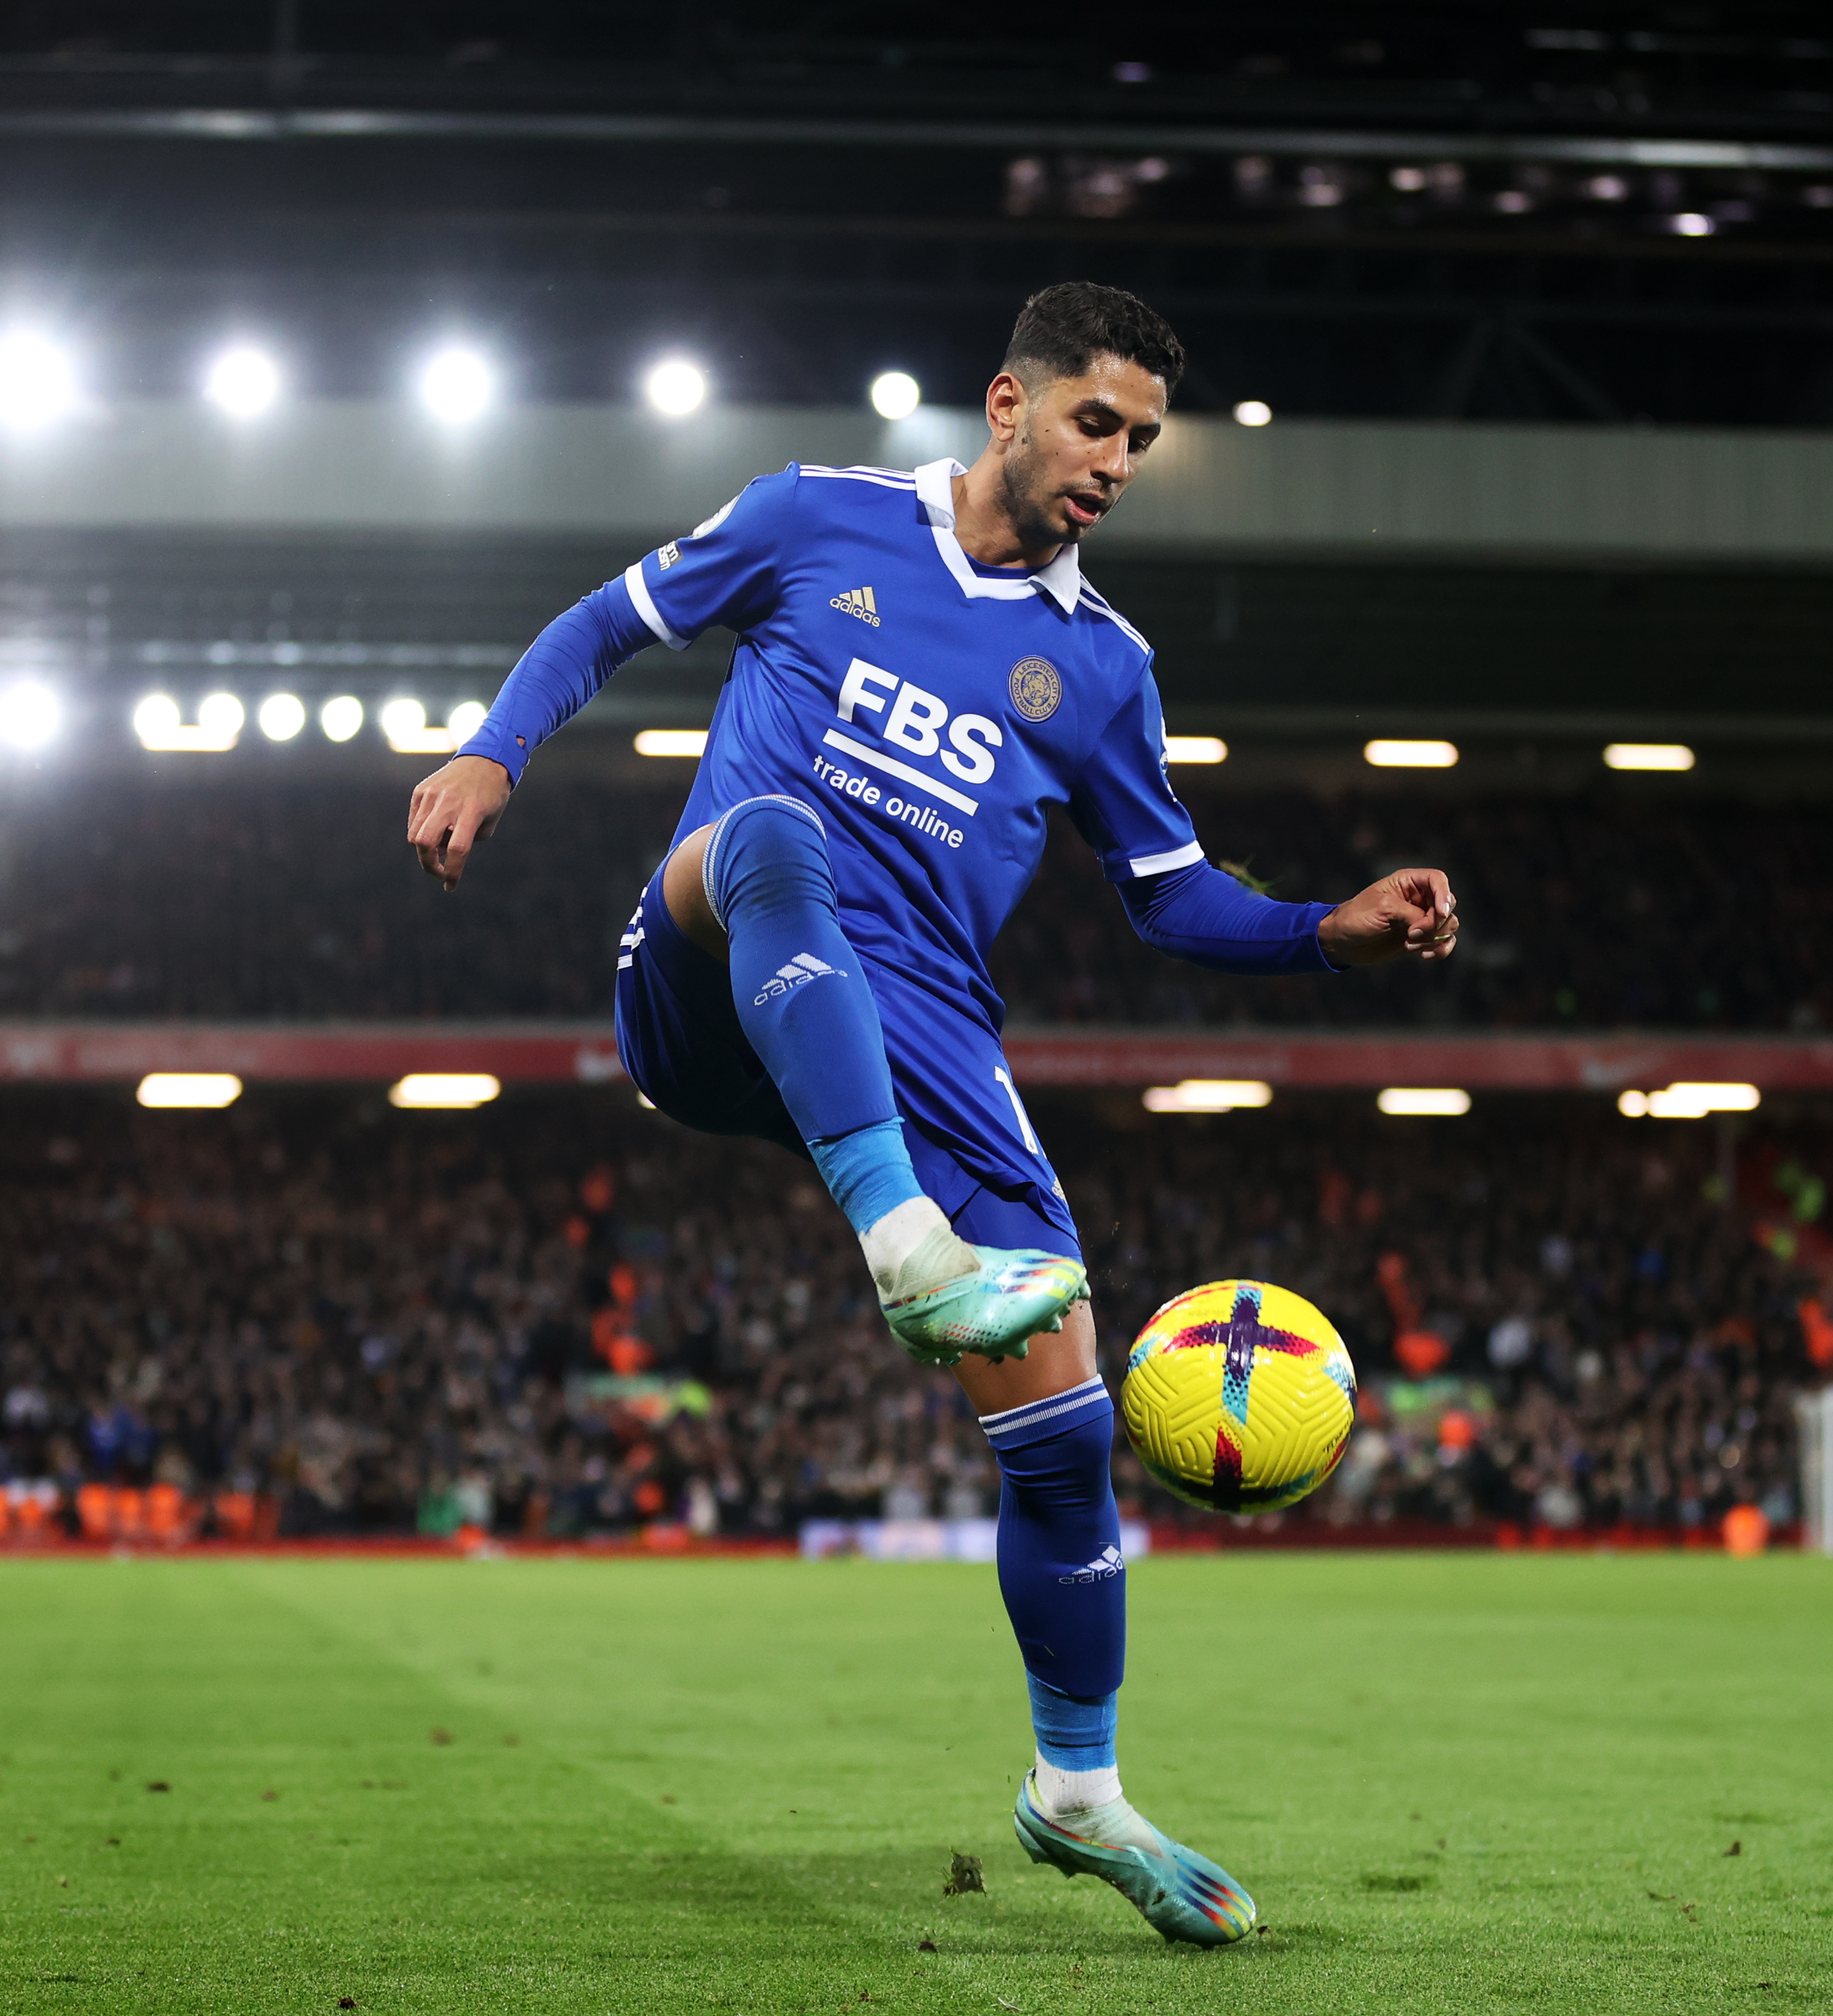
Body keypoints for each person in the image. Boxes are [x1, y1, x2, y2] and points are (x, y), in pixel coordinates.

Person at [407, 282, 1459, 1946]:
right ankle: (903, 1242)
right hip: (705, 969)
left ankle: (1077, 1791)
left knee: (1069, 1420)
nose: (1117, 459)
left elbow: (1171, 895)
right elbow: (605, 622)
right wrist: (494, 754)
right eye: (1096, 421)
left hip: (927, 1038)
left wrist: (1325, 927)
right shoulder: (813, 518)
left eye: (1143, 441)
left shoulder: (1106, 669)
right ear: (1007, 405)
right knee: (774, 839)